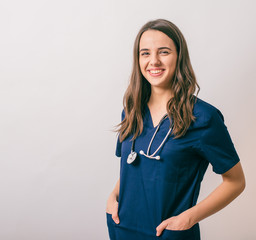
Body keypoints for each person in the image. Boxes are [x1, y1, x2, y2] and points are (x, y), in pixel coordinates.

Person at [105, 19, 246, 240]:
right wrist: (113, 197)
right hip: (122, 228)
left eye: (163, 52)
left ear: (179, 56)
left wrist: (189, 218)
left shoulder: (203, 118)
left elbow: (236, 181)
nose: (154, 61)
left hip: (169, 234)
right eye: (145, 53)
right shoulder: (131, 111)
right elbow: (131, 168)